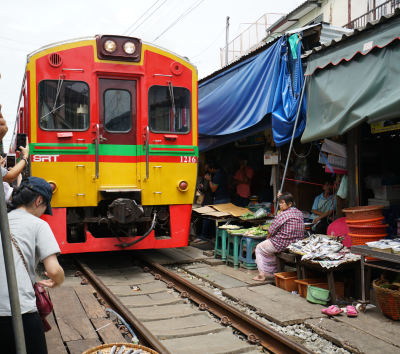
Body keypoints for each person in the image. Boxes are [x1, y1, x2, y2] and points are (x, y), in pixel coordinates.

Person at [0, 177, 65, 354]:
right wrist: (58, 281)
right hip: (21, 313)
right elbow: (53, 270)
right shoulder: (38, 224)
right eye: (45, 207)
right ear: (39, 200)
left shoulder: (3, 220)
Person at [253, 192, 304, 281]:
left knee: (259, 248)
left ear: (290, 204)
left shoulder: (282, 214)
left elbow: (271, 230)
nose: (280, 205)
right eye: (279, 202)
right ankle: (275, 272)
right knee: (271, 249)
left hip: (282, 243)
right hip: (296, 244)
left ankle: (261, 275)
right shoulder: (299, 213)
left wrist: (267, 238)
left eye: (282, 202)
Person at [195, 162, 215, 241]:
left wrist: (202, 186)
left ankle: (203, 236)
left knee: (206, 217)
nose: (205, 166)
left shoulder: (208, 175)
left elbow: (205, 189)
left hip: (208, 199)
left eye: (206, 165)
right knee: (212, 218)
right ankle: (211, 235)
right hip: (211, 199)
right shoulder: (213, 175)